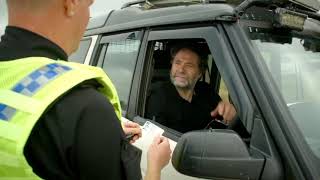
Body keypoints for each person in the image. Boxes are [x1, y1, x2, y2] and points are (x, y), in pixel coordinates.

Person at [0, 0, 171, 179]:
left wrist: (93, 132)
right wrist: (155, 166)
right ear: (71, 3)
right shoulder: (86, 108)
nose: (89, 16)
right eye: (88, 5)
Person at [146, 44, 237, 133]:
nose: (181, 70)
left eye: (189, 65)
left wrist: (230, 112)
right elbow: (158, 140)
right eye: (177, 63)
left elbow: (224, 120)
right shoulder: (159, 95)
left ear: (200, 73)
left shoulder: (206, 91)